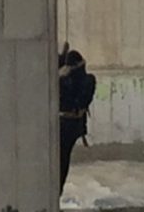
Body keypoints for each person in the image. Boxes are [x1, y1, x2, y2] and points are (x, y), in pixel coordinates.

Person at [59, 46, 96, 196]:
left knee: (62, 161)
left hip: (65, 125)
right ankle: (57, 191)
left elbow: (71, 97)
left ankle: (57, 191)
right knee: (62, 160)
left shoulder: (73, 81)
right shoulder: (88, 79)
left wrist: (62, 75)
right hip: (72, 125)